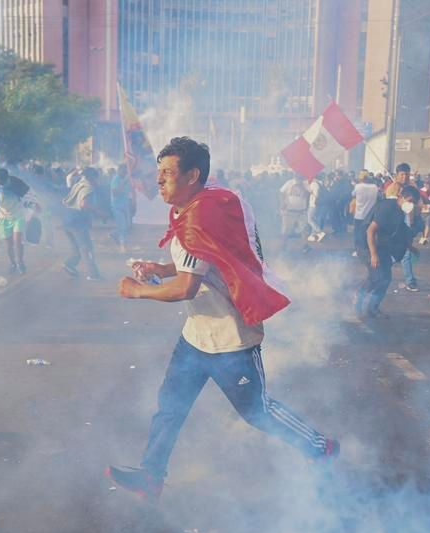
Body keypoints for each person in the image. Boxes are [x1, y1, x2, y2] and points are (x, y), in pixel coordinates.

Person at [108, 137, 338, 500]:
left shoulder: (201, 218)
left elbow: (186, 288)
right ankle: (152, 475)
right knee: (171, 405)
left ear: (192, 175)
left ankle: (319, 447)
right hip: (196, 335)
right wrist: (161, 269)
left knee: (257, 411)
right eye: (159, 173)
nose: (159, 181)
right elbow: (199, 265)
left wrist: (138, 290)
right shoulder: (197, 211)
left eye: (167, 173)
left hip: (231, 341)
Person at [355, 185, 423, 318]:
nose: (411, 204)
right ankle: (359, 297)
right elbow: (370, 231)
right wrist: (373, 255)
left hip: (381, 246)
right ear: (400, 197)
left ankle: (372, 308)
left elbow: (401, 230)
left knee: (385, 278)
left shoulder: (400, 211)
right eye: (409, 200)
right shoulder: (387, 208)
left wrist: (410, 247)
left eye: (414, 202)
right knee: (378, 276)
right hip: (366, 245)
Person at [0, 168, 30, 274]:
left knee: (18, 241)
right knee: (9, 245)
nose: (1, 183)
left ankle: (20, 263)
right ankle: (13, 263)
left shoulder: (16, 183)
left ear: (7, 177)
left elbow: (28, 194)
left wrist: (30, 205)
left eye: (3, 181)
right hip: (3, 218)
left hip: (18, 215)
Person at [61, 167, 102, 280]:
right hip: (77, 220)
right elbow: (84, 204)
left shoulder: (79, 183)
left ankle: (69, 264)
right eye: (97, 178)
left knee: (77, 249)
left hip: (67, 218)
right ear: (93, 177)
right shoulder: (88, 187)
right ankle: (93, 274)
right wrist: (98, 211)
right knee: (87, 248)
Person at [350, 170, 379, 256]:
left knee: (358, 234)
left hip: (359, 214)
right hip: (371, 215)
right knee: (370, 234)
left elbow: (352, 194)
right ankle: (369, 250)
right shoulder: (375, 187)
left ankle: (358, 251)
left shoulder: (358, 186)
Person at [278, 173, 310, 247]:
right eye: (297, 176)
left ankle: (305, 246)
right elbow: (281, 192)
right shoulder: (289, 183)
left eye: (300, 177)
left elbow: (308, 194)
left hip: (302, 211)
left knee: (303, 229)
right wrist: (282, 202)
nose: (298, 178)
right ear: (294, 177)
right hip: (289, 211)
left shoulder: (305, 184)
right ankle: (283, 246)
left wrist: (302, 187)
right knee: (286, 230)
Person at [110, 164, 135, 252]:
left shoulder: (125, 180)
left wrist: (132, 202)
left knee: (127, 226)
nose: (125, 172)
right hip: (117, 207)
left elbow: (129, 192)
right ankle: (123, 246)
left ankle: (114, 234)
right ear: (119, 170)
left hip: (125, 206)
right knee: (123, 227)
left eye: (126, 170)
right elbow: (115, 193)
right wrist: (124, 183)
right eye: (123, 170)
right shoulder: (116, 179)